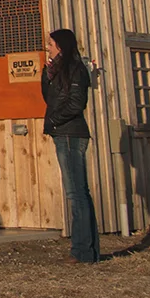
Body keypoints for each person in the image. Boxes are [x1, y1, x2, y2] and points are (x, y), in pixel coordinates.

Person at [42, 27, 100, 264]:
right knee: (78, 193)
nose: (48, 47)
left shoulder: (75, 69)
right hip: (62, 133)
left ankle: (82, 251)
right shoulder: (57, 71)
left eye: (51, 44)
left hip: (71, 134)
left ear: (61, 46)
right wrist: (47, 74)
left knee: (76, 193)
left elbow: (77, 103)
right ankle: (87, 251)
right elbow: (48, 97)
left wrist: (55, 120)